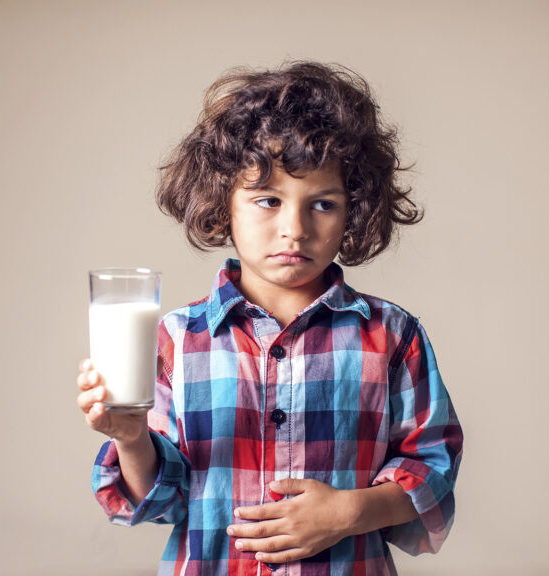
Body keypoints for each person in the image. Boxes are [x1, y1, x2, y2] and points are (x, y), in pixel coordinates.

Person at [76, 61, 463, 576]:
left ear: (354, 210)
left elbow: (433, 464)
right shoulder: (177, 339)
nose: (294, 228)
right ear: (223, 204)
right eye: (267, 200)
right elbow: (162, 499)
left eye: (322, 204)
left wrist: (350, 512)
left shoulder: (391, 334)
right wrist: (130, 439)